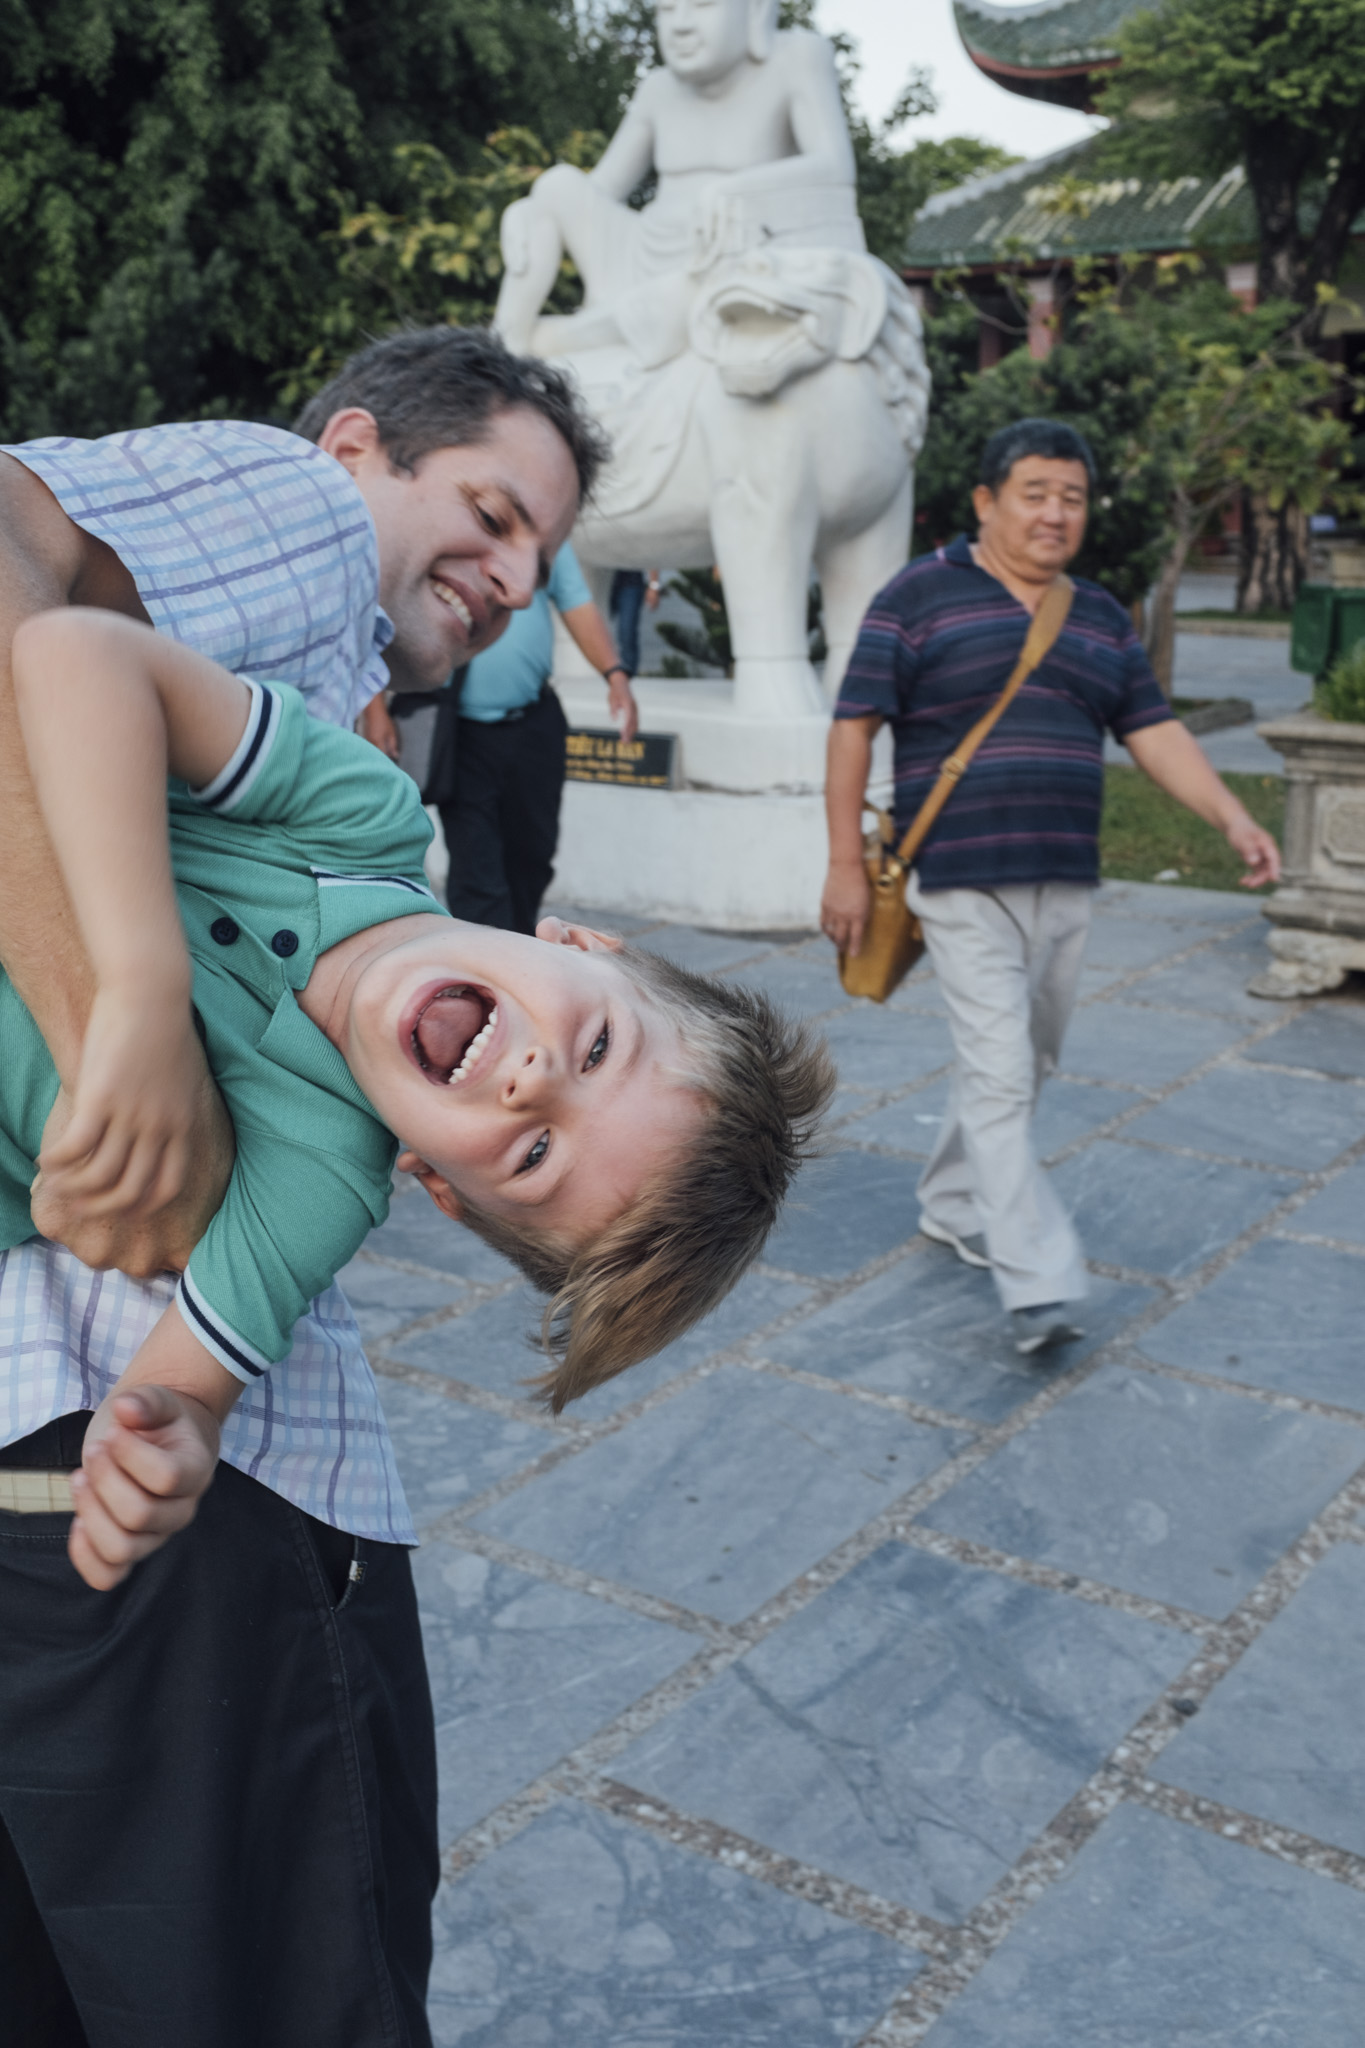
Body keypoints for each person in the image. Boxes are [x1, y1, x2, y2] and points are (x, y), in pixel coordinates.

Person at [0, 324, 603, 2047]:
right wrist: (118, 1028)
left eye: (540, 560)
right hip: (153, 1474)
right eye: (488, 512)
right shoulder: (300, 510)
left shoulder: (352, 726)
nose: (508, 576)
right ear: (355, 450)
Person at [5, 605, 831, 1581]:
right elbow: (70, 650)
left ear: (439, 1184)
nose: (533, 1083)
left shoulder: (319, 1187)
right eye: (601, 1043)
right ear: (580, 942)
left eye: (535, 1155)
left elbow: (182, 1391)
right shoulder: (360, 814)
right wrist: (141, 994)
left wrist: (164, 1445)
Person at [820, 418, 1280, 1356]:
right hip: (957, 878)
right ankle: (1037, 1279)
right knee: (996, 1071)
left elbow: (1151, 731)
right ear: (986, 501)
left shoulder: (1100, 615)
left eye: (1070, 496)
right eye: (1034, 493)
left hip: (1062, 875)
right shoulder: (917, 595)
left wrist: (1231, 817)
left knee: (1025, 1062)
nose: (1054, 513)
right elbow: (853, 727)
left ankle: (952, 1200)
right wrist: (839, 864)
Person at [493, 0, 859, 366]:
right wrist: (529, 210)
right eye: (666, 9)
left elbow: (835, 168)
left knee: (702, 288)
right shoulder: (657, 89)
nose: (680, 25)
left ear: (755, 10)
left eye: (703, 6)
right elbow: (600, 190)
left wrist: (736, 191)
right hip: (641, 254)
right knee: (556, 185)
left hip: (721, 256)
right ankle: (503, 350)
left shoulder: (796, 58)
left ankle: (574, 336)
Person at [442, 542, 636, 933]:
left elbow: (577, 602)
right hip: (461, 732)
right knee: (476, 867)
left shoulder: (542, 534)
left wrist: (615, 674)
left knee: (533, 854)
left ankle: (516, 947)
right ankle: (492, 966)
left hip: (535, 723)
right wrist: (377, 709)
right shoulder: (451, 526)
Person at [608, 567, 662, 678]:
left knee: (627, 633)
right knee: (599, 630)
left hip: (630, 581)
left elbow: (651, 551)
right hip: (600, 579)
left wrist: (654, 585)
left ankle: (628, 677)